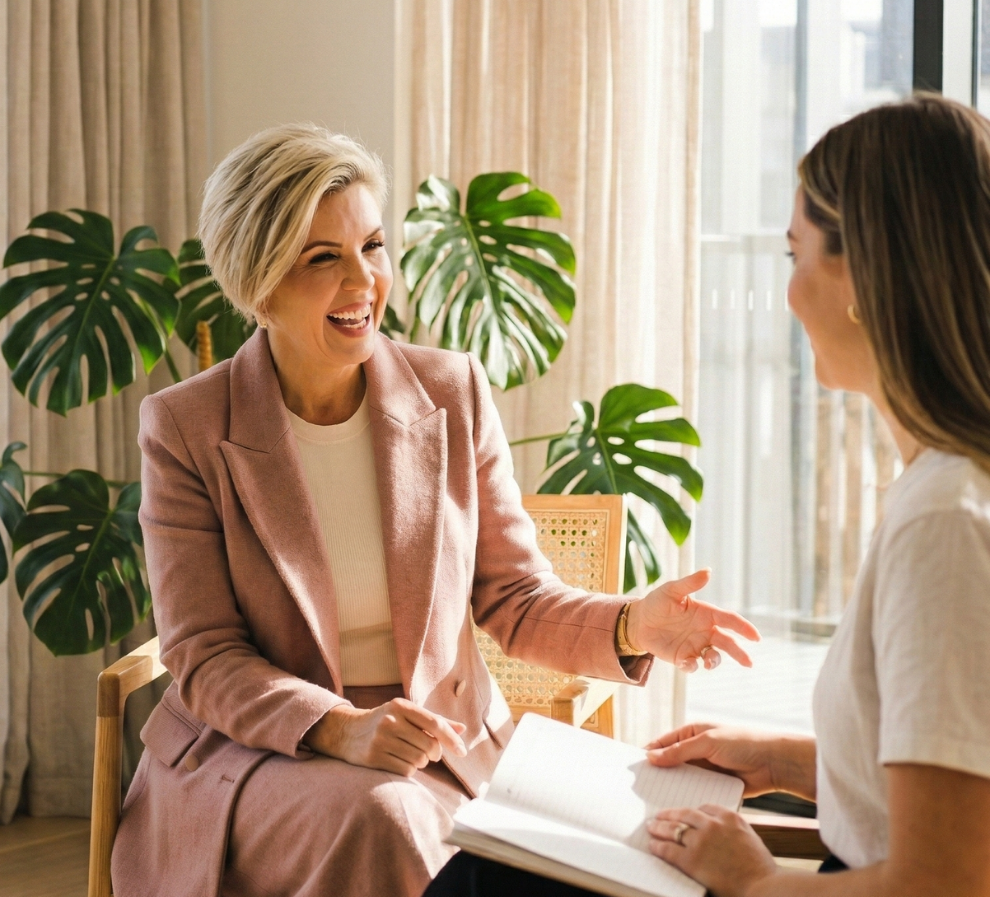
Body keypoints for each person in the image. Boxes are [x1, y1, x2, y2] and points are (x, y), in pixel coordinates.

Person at [111, 124, 758, 897]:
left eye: (373, 247)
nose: (364, 282)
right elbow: (206, 655)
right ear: (258, 283)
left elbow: (512, 596)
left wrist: (632, 624)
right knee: (384, 820)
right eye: (325, 258)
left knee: (643, 848)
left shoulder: (450, 392)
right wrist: (340, 727)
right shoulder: (187, 425)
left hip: (443, 747)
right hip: (263, 753)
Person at [635, 95, 990, 896]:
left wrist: (753, 882)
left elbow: (945, 881)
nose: (789, 293)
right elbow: (957, 780)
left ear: (864, 272)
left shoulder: (945, 519)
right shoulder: (943, 485)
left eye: (796, 255)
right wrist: (785, 759)